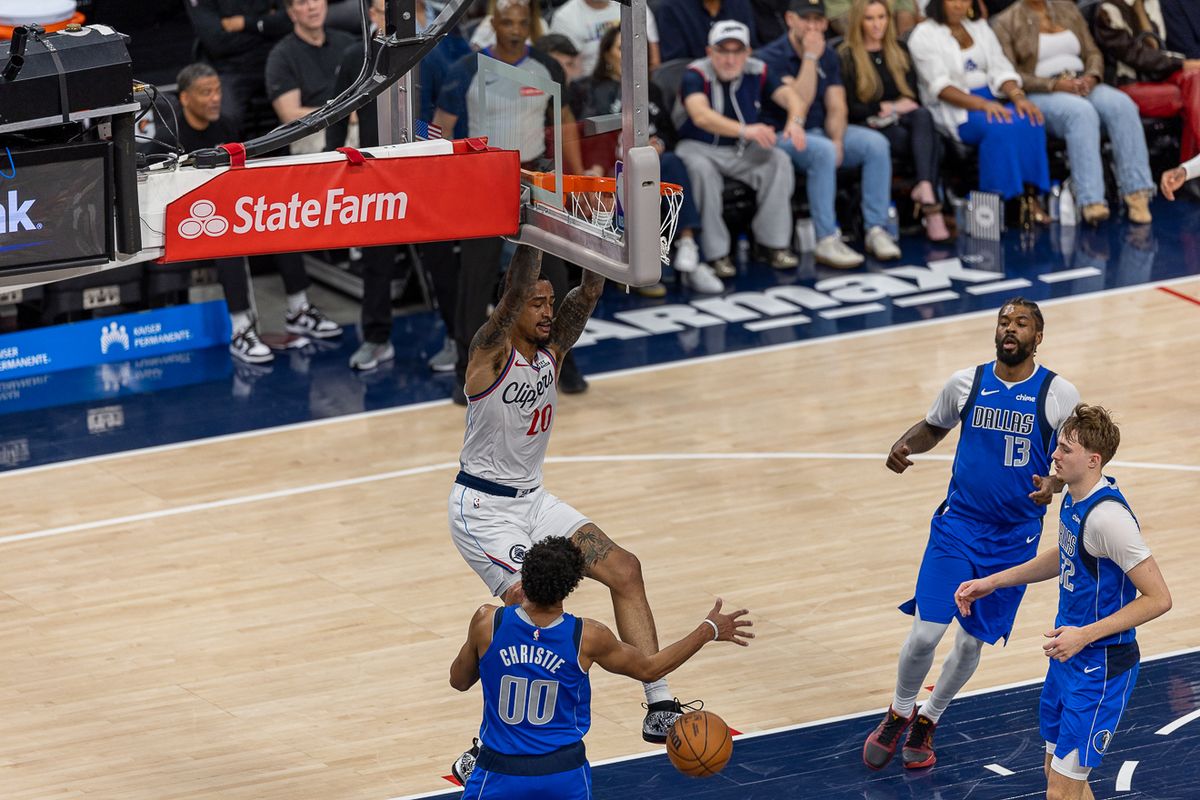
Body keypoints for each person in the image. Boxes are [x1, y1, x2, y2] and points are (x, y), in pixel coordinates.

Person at [448, 245, 694, 782]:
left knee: (624, 568)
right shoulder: (488, 356)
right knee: (526, 604)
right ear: (513, 310)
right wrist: (532, 232)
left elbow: (587, 294)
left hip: (533, 499)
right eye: (537, 303)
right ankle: (483, 749)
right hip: (483, 508)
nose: (546, 311)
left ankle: (659, 704)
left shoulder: (550, 353)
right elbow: (513, 290)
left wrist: (599, 254)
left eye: (549, 302)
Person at [862, 297, 1082, 772]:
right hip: (958, 527)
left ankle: (929, 718)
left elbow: (1074, 454)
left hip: (1014, 539)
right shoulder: (967, 382)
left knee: (968, 644)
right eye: (1004, 321)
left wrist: (1055, 482)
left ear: (1037, 337)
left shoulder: (1059, 394)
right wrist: (905, 444)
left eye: (1021, 323)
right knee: (925, 635)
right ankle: (899, 711)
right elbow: (933, 427)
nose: (1010, 329)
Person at [956, 404, 1171, 800]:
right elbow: (1067, 554)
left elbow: (1159, 599)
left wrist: (1083, 635)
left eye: (1065, 449)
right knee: (1058, 776)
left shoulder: (1110, 519)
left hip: (1101, 665)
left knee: (1061, 790)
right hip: (1070, 655)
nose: (1054, 454)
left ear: (1093, 460)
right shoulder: (1074, 498)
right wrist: (994, 581)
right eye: (1057, 445)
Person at [450, 536, 754, 798]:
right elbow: (650, 669)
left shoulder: (488, 622)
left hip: (499, 772)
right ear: (570, 586)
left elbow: (459, 681)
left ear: (525, 577)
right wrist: (707, 630)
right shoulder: (587, 636)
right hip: (563, 776)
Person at [435, 0, 590, 404]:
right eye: (507, 22)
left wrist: (579, 179)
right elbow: (439, 131)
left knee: (553, 275)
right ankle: (463, 372)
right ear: (493, 24)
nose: (516, 29)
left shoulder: (547, 68)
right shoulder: (465, 70)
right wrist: (453, 181)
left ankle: (561, 362)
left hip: (536, 179)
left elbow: (566, 124)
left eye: (523, 22)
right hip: (485, 181)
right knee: (476, 280)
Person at [568, 27, 724, 293]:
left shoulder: (650, 88)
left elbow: (668, 132)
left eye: (634, 49)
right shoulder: (589, 89)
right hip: (610, 167)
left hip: (650, 165)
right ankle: (634, 268)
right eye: (620, 49)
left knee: (673, 161)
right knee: (633, 180)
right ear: (607, 54)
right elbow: (587, 139)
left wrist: (659, 144)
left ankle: (689, 248)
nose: (628, 56)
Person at [757, 0, 900, 266]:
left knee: (875, 144)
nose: (813, 27)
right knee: (821, 151)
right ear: (790, 20)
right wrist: (810, 57)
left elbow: (837, 105)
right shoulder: (770, 57)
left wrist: (837, 140)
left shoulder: (830, 55)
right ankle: (825, 239)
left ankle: (876, 229)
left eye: (818, 21)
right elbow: (801, 100)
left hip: (821, 131)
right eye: (805, 20)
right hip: (782, 136)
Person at [992, 0, 1156, 225]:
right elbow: (1009, 72)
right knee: (1081, 113)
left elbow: (1092, 52)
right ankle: (1091, 200)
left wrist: (1091, 76)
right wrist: (1054, 84)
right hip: (1041, 92)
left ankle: (1137, 192)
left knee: (1122, 105)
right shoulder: (1005, 21)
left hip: (1082, 82)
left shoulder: (1067, 8)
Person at [675, 20, 802, 275]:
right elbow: (701, 116)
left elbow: (791, 96)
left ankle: (772, 244)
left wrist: (795, 121)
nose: (730, 59)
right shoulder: (695, 74)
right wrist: (746, 130)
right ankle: (716, 254)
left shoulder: (759, 69)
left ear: (747, 53)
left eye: (737, 52)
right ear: (710, 52)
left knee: (778, 160)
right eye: (723, 51)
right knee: (700, 171)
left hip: (741, 149)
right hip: (699, 146)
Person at [908, 0, 1051, 219]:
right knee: (1000, 127)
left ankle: (1029, 198)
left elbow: (1000, 67)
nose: (959, 5)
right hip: (957, 107)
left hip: (994, 98)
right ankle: (999, 203)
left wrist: (1018, 97)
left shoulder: (980, 27)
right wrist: (982, 105)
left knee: (1030, 118)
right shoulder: (923, 35)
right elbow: (940, 87)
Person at [839, 0, 952, 242]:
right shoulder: (847, 56)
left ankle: (925, 188)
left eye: (881, 17)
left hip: (905, 121)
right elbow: (850, 107)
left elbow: (912, 97)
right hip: (869, 125)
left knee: (924, 116)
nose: (877, 24)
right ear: (859, 21)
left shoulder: (899, 49)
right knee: (931, 144)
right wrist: (888, 107)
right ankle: (932, 209)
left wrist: (897, 109)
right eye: (869, 18)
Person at [1092, 0, 1200, 172]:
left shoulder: (1150, 5)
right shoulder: (1108, 10)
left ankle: (1188, 171)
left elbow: (1158, 49)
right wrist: (1181, 64)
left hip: (1159, 78)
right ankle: (1191, 172)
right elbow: (1135, 56)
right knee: (1194, 96)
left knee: (1196, 80)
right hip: (1127, 84)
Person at [184, 0, 290, 134]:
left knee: (312, 99)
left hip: (277, 59)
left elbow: (289, 21)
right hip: (229, 68)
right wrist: (267, 27)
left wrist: (245, 23)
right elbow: (217, 43)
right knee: (223, 117)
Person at [548, 0, 662, 75]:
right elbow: (567, 70)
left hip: (636, 79)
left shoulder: (634, 3)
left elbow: (654, 60)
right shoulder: (564, 17)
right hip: (590, 90)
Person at [655, 0, 759, 62]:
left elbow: (750, 47)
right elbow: (676, 65)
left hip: (739, 77)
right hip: (694, 84)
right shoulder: (670, 8)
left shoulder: (740, 3)